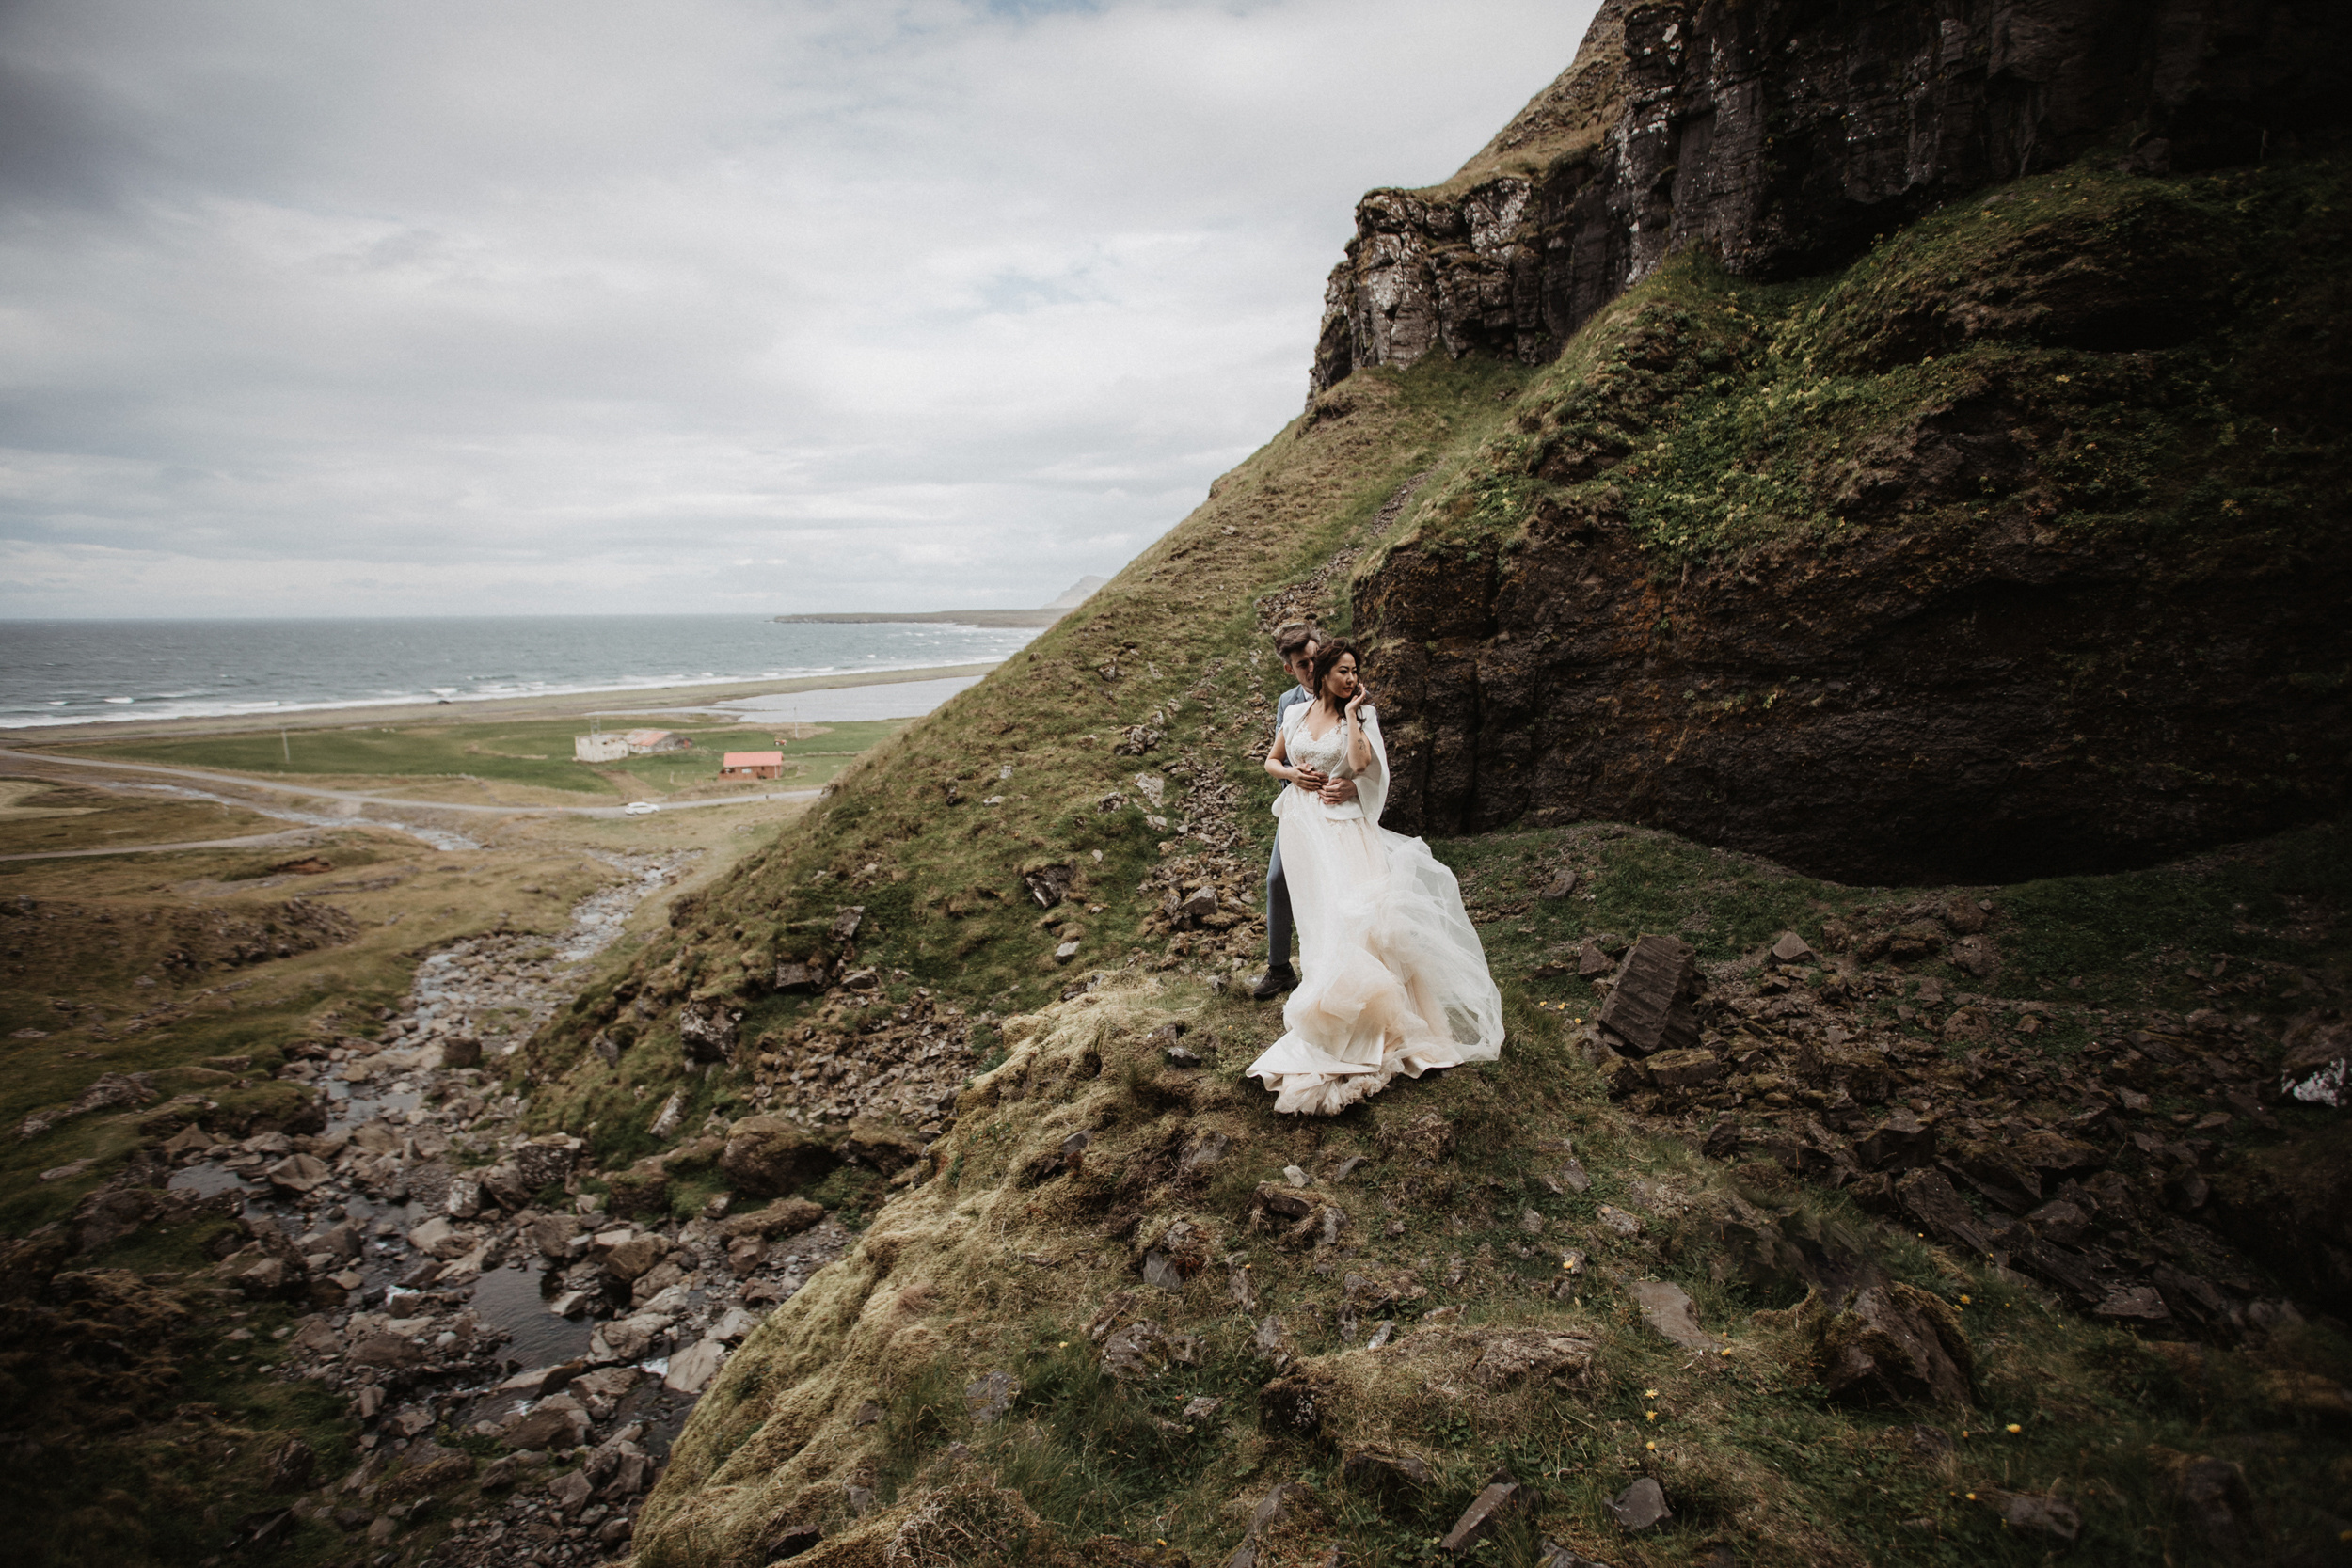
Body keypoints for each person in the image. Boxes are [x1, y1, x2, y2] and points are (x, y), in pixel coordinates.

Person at [1243, 640, 1503, 1115]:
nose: (1351, 678)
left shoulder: (1358, 716)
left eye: (1354, 671)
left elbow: (1363, 767)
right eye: (1343, 671)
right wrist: (1292, 776)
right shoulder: (1296, 715)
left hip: (1342, 830)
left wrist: (1357, 716)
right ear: (1322, 674)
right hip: (1303, 830)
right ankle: (1324, 990)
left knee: (1354, 915)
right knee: (1318, 917)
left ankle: (1371, 1022)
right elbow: (1271, 760)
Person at [1248, 623, 1357, 1000]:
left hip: (1341, 810)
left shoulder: (1349, 693)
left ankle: (1343, 966)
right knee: (1278, 880)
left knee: (1342, 887)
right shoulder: (1288, 703)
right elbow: (1279, 757)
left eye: (1314, 660)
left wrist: (1352, 786)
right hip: (1298, 810)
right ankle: (1279, 968)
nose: (1311, 670)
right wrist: (1294, 776)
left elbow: (1370, 761)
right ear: (1289, 669)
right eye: (1301, 665)